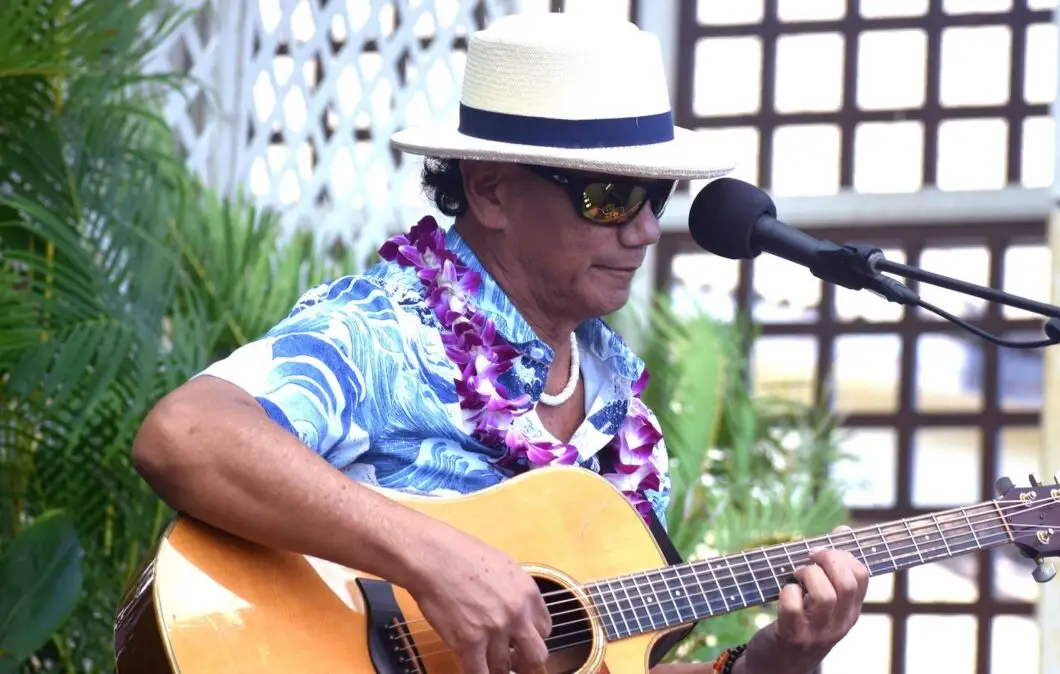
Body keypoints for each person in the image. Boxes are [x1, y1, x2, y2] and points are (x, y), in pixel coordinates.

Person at [131, 11, 869, 674]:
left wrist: (777, 660)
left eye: (657, 197)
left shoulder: (627, 425)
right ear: (489, 190)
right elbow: (186, 435)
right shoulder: (383, 331)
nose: (643, 229)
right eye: (609, 196)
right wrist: (432, 558)